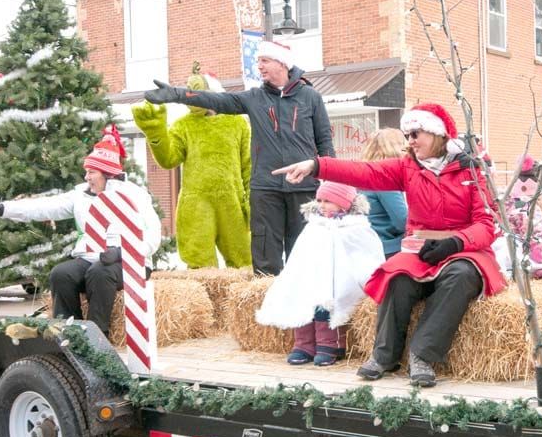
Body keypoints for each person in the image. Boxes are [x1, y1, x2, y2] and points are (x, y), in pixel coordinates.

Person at [274, 103, 506, 386]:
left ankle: (422, 355)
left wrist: (457, 242)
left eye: (415, 134)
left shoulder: (471, 170)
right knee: (395, 276)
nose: (410, 141)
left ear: (436, 134)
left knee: (460, 276)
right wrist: (316, 165)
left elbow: (487, 222)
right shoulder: (408, 167)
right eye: (407, 135)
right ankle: (385, 355)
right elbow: (364, 172)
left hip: (465, 249)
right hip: (422, 248)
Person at [144, 40, 335, 276]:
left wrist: (331, 181)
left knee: (304, 255)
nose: (260, 66)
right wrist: (176, 94)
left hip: (304, 188)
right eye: (258, 62)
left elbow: (325, 141)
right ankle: (269, 308)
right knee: (265, 262)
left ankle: (306, 310)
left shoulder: (311, 97)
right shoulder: (254, 97)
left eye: (264, 61)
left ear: (282, 63)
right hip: (265, 190)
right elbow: (215, 100)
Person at [0, 130, 162, 335]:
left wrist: (121, 252)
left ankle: (97, 336)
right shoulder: (80, 194)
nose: (86, 177)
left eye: (91, 172)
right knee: (61, 274)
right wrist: (3, 208)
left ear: (107, 173)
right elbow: (44, 206)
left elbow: (153, 234)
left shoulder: (134, 195)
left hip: (130, 261)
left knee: (100, 272)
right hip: (91, 257)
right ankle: (71, 333)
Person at [132, 63, 252, 268]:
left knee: (244, 261)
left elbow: (248, 167)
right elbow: (168, 159)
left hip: (232, 202)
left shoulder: (237, 123)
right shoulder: (183, 125)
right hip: (197, 203)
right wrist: (155, 131)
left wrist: (253, 202)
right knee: (199, 263)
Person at [255, 181, 384, 366]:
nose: (321, 205)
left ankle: (330, 344)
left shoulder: (356, 228)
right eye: (319, 200)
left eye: (328, 201)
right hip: (314, 278)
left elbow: (365, 256)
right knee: (302, 297)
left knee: (329, 301)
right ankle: (304, 344)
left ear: (344, 203)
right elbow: (300, 256)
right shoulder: (314, 226)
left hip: (342, 280)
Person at [360, 128, 408, 259]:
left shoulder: (365, 174)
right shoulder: (384, 177)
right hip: (388, 248)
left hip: (367, 246)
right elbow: (403, 221)